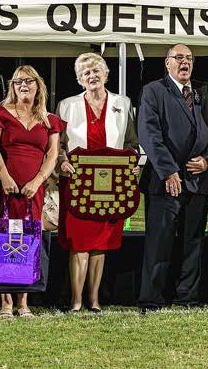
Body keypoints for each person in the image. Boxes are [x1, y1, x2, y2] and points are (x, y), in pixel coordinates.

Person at [137, 43, 208, 312]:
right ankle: (152, 299)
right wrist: (168, 170)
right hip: (165, 181)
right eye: (179, 58)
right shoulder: (153, 91)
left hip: (198, 180)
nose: (184, 62)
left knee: (193, 242)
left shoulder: (205, 92)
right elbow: (149, 133)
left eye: (189, 58)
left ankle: (187, 298)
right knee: (159, 243)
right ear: (167, 63)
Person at [55, 53, 137, 313]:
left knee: (101, 243)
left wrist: (132, 163)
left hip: (111, 186)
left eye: (96, 71)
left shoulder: (123, 103)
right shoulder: (67, 105)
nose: (92, 76)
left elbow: (131, 143)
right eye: (86, 73)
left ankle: (94, 300)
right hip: (77, 184)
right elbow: (58, 145)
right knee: (79, 243)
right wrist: (61, 162)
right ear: (80, 79)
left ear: (106, 74)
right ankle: (76, 301)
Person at [0, 64, 63, 318]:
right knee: (3, 237)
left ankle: (23, 301)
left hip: (33, 191)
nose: (23, 85)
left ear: (38, 85)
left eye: (29, 81)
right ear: (12, 87)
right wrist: (4, 176)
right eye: (18, 82)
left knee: (29, 238)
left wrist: (38, 181)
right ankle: (5, 302)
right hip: (4, 188)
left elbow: (52, 155)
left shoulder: (50, 120)